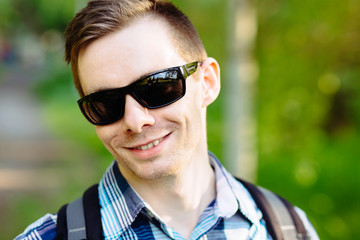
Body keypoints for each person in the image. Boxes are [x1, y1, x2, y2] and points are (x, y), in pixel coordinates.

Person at [15, 0, 319, 239]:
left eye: (158, 87)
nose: (135, 121)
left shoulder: (289, 229)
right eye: (104, 104)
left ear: (208, 82)